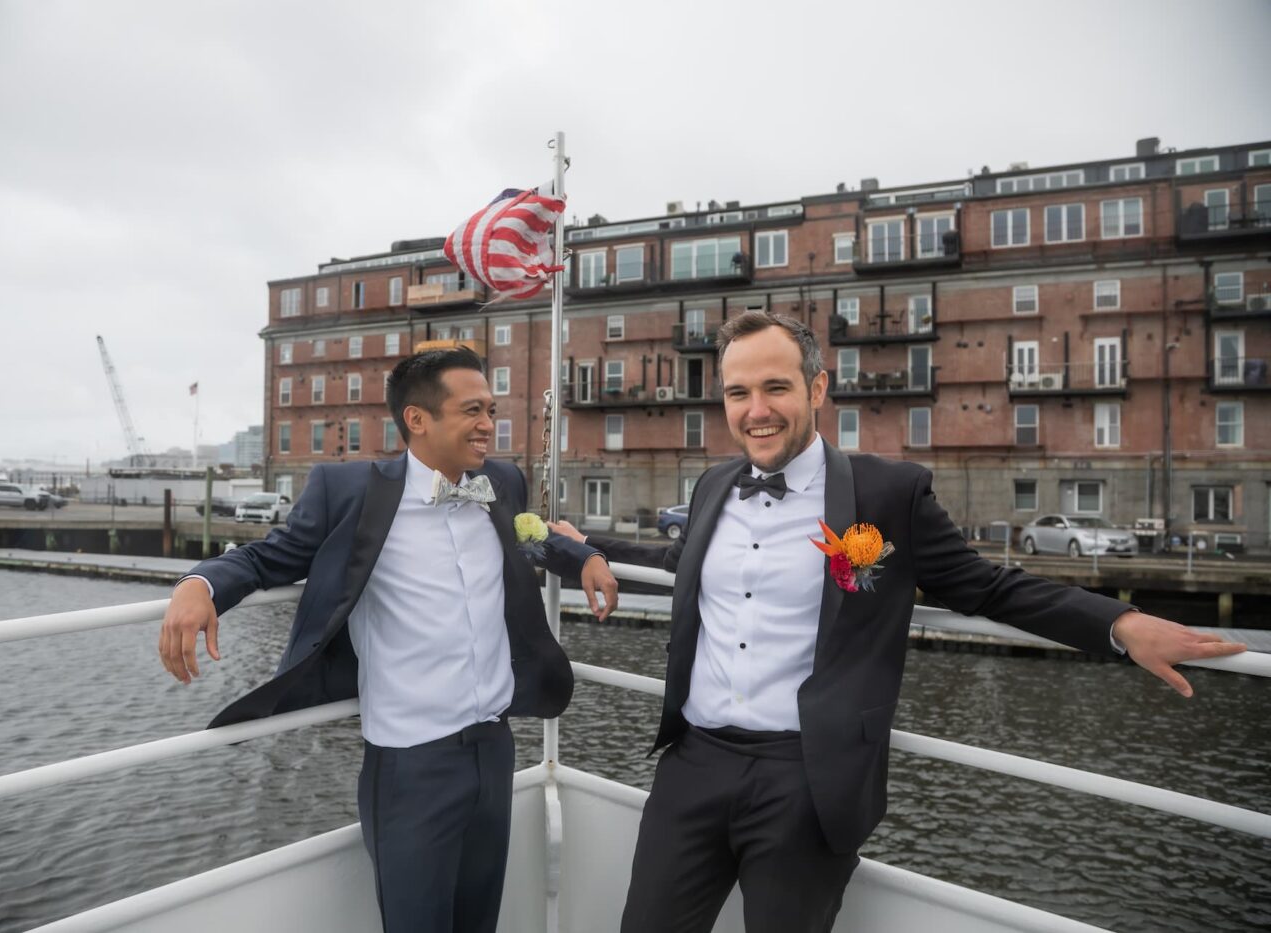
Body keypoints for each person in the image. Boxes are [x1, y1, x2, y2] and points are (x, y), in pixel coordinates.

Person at [549, 310, 1245, 933]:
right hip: (692, 765)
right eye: (738, 393)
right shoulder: (715, 484)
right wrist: (585, 548)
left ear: (818, 390)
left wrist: (1119, 625)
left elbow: (986, 586)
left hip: (808, 778)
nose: (756, 410)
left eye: (776, 388)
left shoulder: (888, 492)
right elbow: (680, 559)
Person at [158, 346, 619, 933]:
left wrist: (582, 556)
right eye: (473, 410)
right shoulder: (349, 492)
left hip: (495, 746)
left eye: (492, 409)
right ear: (418, 420)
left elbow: (530, 539)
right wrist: (198, 584)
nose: (489, 424)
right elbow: (266, 557)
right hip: (411, 763)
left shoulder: (501, 481)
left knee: (479, 919)